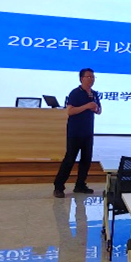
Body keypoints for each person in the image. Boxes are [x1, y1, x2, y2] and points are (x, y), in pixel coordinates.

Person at [53, 68, 102, 198]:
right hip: (75, 132)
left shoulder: (94, 94)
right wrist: (87, 106)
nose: (91, 79)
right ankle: (58, 186)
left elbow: (99, 110)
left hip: (88, 132)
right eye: (88, 77)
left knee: (86, 160)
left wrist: (96, 109)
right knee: (69, 159)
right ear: (81, 79)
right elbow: (70, 111)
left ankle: (80, 184)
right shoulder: (75, 93)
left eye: (93, 77)